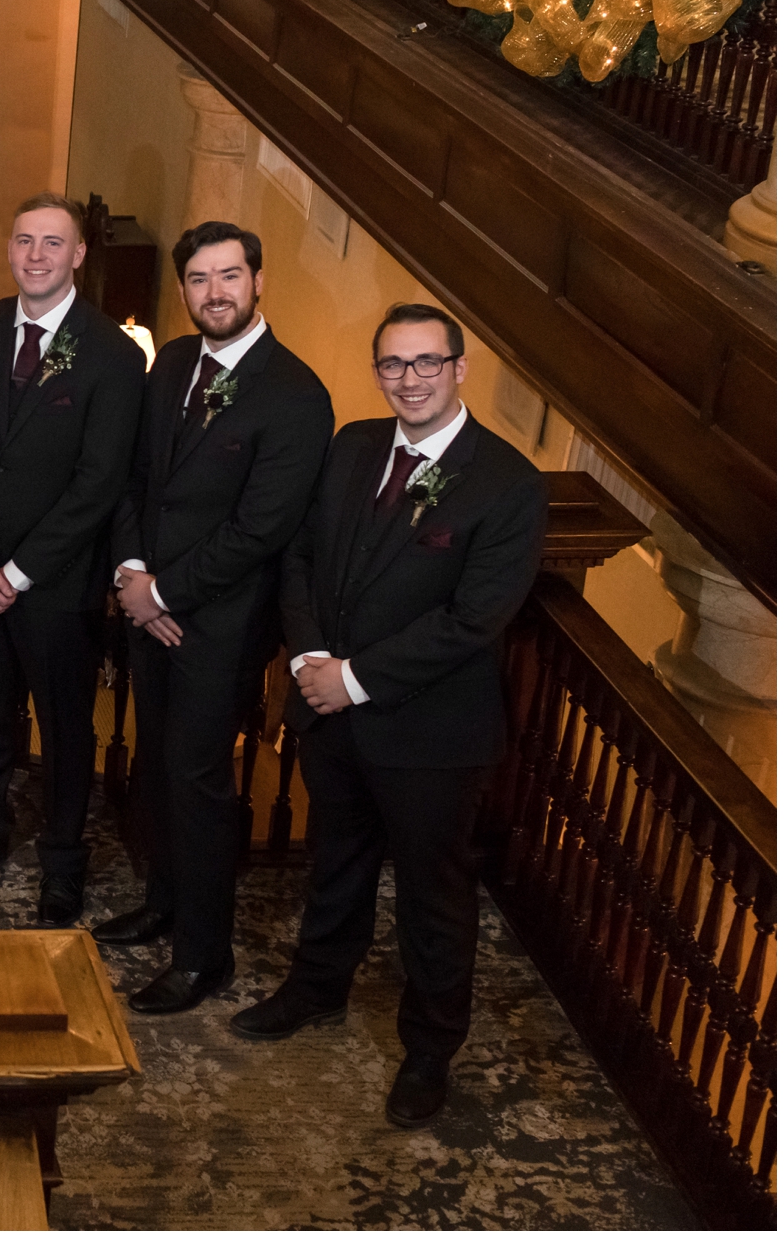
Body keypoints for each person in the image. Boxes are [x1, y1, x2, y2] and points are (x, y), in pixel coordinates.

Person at [234, 303, 547, 1129]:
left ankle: (430, 1048)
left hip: (430, 734)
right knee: (334, 860)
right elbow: (299, 557)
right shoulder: (353, 446)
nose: (409, 380)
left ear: (459, 368)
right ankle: (316, 988)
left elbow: (474, 620)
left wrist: (358, 679)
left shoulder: (507, 483)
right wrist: (307, 662)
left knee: (432, 899)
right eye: (393, 365)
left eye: (426, 364)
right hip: (330, 710)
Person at [95, 221, 333, 1015]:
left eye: (229, 276)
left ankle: (205, 956)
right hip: (151, 604)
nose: (215, 293)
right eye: (199, 279)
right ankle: (164, 902)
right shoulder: (169, 365)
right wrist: (132, 572)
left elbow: (260, 530)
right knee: (159, 763)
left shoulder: (297, 395)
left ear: (259, 282)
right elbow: (135, 480)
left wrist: (161, 594)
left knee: (198, 779)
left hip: (221, 625)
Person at [0, 193, 145, 923]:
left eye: (53, 243)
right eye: (24, 241)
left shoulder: (112, 352)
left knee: (64, 727)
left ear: (79, 254)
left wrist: (16, 573)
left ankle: (62, 864)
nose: (36, 256)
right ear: (9, 250)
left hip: (55, 585)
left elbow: (99, 483)